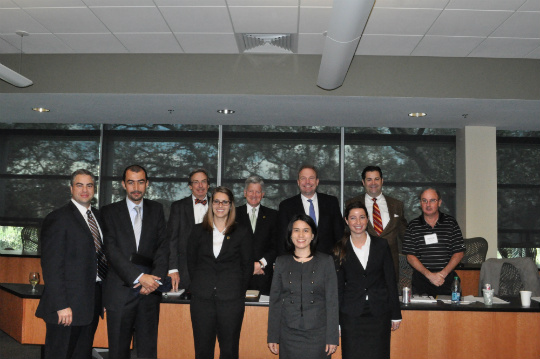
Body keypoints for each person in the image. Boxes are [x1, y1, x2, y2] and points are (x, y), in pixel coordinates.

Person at [35, 169, 106, 359]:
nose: (85, 190)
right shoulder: (58, 218)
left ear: (94, 189)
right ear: (71, 188)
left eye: (89, 185)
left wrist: (103, 297)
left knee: (81, 354)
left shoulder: (98, 217)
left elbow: (99, 259)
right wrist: (61, 304)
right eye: (79, 185)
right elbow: (51, 265)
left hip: (91, 303)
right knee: (61, 354)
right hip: (67, 307)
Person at [101, 165, 169, 359]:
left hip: (149, 293)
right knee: (118, 351)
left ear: (147, 184)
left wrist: (153, 281)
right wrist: (140, 278)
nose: (136, 187)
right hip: (120, 292)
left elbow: (162, 248)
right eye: (131, 182)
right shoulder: (109, 212)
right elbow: (111, 251)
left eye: (140, 182)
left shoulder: (156, 209)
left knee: (148, 351)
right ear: (124, 184)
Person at [187, 186, 252, 359]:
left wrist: (237, 292)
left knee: (229, 350)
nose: (220, 205)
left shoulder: (242, 232)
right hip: (202, 300)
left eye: (225, 201)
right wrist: (201, 286)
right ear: (211, 204)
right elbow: (191, 262)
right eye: (216, 201)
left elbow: (247, 267)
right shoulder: (198, 230)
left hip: (231, 301)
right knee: (202, 350)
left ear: (231, 205)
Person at [334, 202, 401, 359]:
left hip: (379, 312)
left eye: (362, 217)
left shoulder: (381, 245)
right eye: (353, 218)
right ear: (346, 220)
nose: (358, 222)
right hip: (351, 314)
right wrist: (336, 320)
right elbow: (337, 287)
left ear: (368, 219)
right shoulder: (339, 248)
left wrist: (396, 313)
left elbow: (390, 280)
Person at [268, 214, 339, 359]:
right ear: (290, 235)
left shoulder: (326, 262)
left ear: (312, 235)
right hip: (288, 334)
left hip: (318, 335)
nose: (301, 235)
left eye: (306, 230)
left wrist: (332, 337)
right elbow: (275, 302)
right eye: (296, 230)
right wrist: (273, 335)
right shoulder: (281, 262)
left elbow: (332, 302)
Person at [346, 165, 407, 278]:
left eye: (376, 179)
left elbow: (405, 236)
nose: (373, 183)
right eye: (369, 179)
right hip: (362, 264)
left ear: (382, 181)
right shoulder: (352, 203)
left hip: (390, 265)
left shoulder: (397, 205)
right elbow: (346, 235)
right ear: (363, 182)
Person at [402, 188, 465, 296]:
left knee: (451, 312)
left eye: (432, 200)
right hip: (422, 280)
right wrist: (430, 275)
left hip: (446, 279)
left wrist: (442, 274)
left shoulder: (451, 223)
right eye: (424, 200)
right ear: (420, 203)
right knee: (421, 312)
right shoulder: (413, 226)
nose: (428, 204)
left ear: (439, 202)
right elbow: (410, 256)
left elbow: (459, 252)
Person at [278, 165, 344, 255]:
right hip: (297, 262)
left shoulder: (331, 202)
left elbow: (339, 234)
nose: (307, 182)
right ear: (298, 182)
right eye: (303, 178)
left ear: (317, 182)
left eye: (311, 178)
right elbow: (283, 239)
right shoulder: (286, 206)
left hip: (327, 261)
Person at [167, 168, 210, 292]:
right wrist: (173, 269)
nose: (200, 185)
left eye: (203, 181)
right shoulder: (178, 207)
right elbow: (172, 240)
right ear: (190, 186)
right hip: (184, 272)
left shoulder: (218, 206)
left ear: (208, 184)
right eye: (196, 182)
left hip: (212, 271)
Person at [236, 175, 278, 295]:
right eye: (250, 191)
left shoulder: (273, 216)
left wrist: (260, 264)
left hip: (264, 276)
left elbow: (275, 246)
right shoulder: (233, 214)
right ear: (245, 193)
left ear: (263, 194)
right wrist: (249, 267)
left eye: (258, 191)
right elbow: (230, 246)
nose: (254, 195)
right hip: (239, 276)